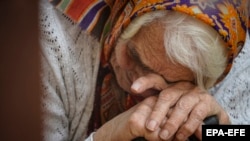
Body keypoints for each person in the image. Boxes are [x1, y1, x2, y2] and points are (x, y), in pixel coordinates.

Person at [39, 0, 250, 141]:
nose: (137, 86)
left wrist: (221, 131)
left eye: (173, 83)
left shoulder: (237, 61)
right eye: (134, 55)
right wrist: (107, 136)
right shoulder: (47, 38)